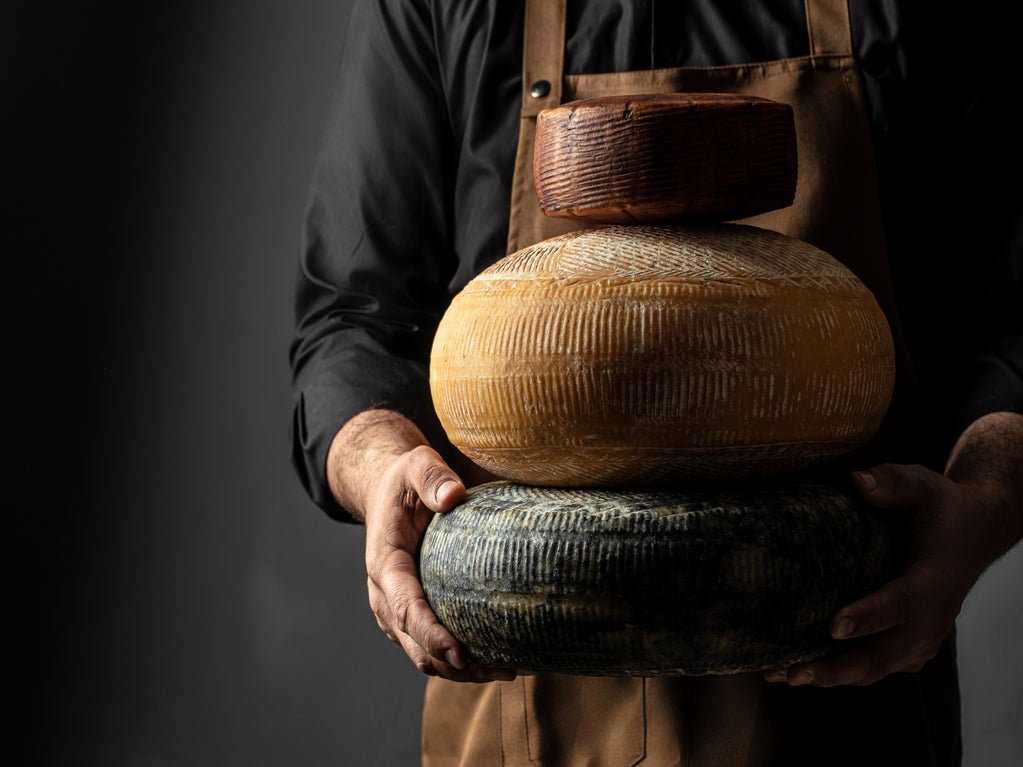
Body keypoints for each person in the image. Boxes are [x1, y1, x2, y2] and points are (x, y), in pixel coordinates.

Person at [289, 0, 1022, 764]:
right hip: (523, 707)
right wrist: (377, 469)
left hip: (845, 689)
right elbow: (354, 317)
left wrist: (984, 500)